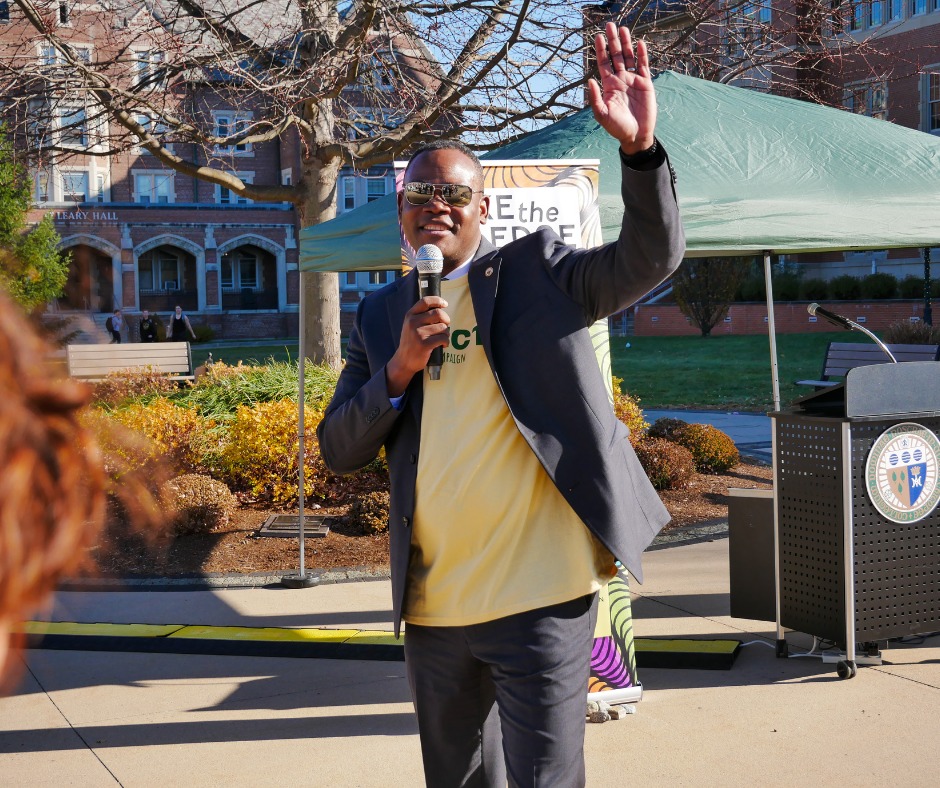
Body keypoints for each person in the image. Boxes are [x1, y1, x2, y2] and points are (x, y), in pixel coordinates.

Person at [317, 23, 684, 787]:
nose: (436, 205)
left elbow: (648, 259)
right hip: (435, 610)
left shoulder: (538, 273)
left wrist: (640, 152)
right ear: (401, 210)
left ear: (481, 207)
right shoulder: (380, 315)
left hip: (541, 598)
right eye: (420, 194)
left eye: (454, 193)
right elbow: (338, 448)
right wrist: (400, 367)